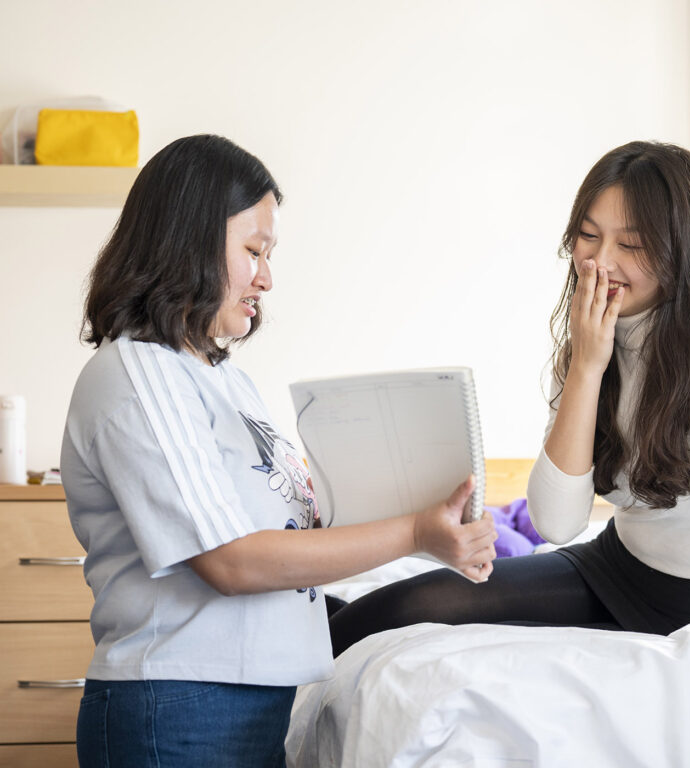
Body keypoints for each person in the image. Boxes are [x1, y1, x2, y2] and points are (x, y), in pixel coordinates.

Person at [60, 134, 497, 768]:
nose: (267, 276)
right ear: (189, 241)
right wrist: (412, 532)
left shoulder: (222, 379)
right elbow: (231, 563)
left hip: (244, 704)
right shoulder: (139, 373)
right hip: (178, 704)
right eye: (253, 250)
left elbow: (294, 537)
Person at [329, 140, 690, 657]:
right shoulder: (585, 346)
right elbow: (557, 524)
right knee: (404, 606)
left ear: (678, 249)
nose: (601, 262)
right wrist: (586, 366)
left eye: (630, 244)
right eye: (588, 236)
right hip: (615, 566)